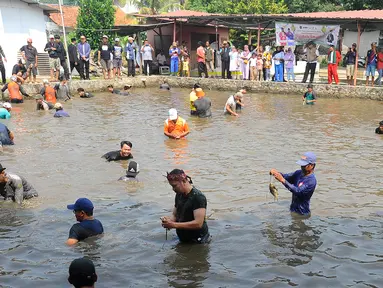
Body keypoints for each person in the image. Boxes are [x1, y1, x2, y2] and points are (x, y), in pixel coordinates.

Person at [161, 169, 210, 244]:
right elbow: (175, 214)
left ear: (184, 181)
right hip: (183, 239)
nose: (173, 189)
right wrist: (169, 222)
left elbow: (198, 223)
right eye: (172, 186)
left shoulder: (198, 197)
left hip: (198, 241)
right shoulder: (179, 194)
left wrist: (174, 225)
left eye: (174, 186)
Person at [270, 152, 317, 216]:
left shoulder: (311, 181)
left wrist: (283, 180)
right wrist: (276, 173)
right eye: (301, 165)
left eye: (304, 165)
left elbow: (298, 191)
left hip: (302, 213)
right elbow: (286, 177)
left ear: (312, 165)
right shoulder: (298, 173)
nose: (302, 167)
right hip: (293, 210)